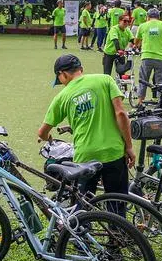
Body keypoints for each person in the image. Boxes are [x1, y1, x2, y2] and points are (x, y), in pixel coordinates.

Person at [39, 54, 136, 200]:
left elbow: (42, 133)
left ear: (63, 74)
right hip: (113, 152)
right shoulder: (105, 80)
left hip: (85, 157)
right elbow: (121, 114)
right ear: (81, 69)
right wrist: (129, 146)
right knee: (117, 202)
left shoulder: (62, 96)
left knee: (83, 205)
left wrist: (48, 137)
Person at [133, 8, 162, 102]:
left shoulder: (142, 26)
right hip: (161, 57)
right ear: (159, 17)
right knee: (161, 82)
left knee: (143, 79)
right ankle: (161, 102)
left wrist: (135, 46)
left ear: (148, 17)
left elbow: (136, 41)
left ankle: (140, 101)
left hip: (146, 57)